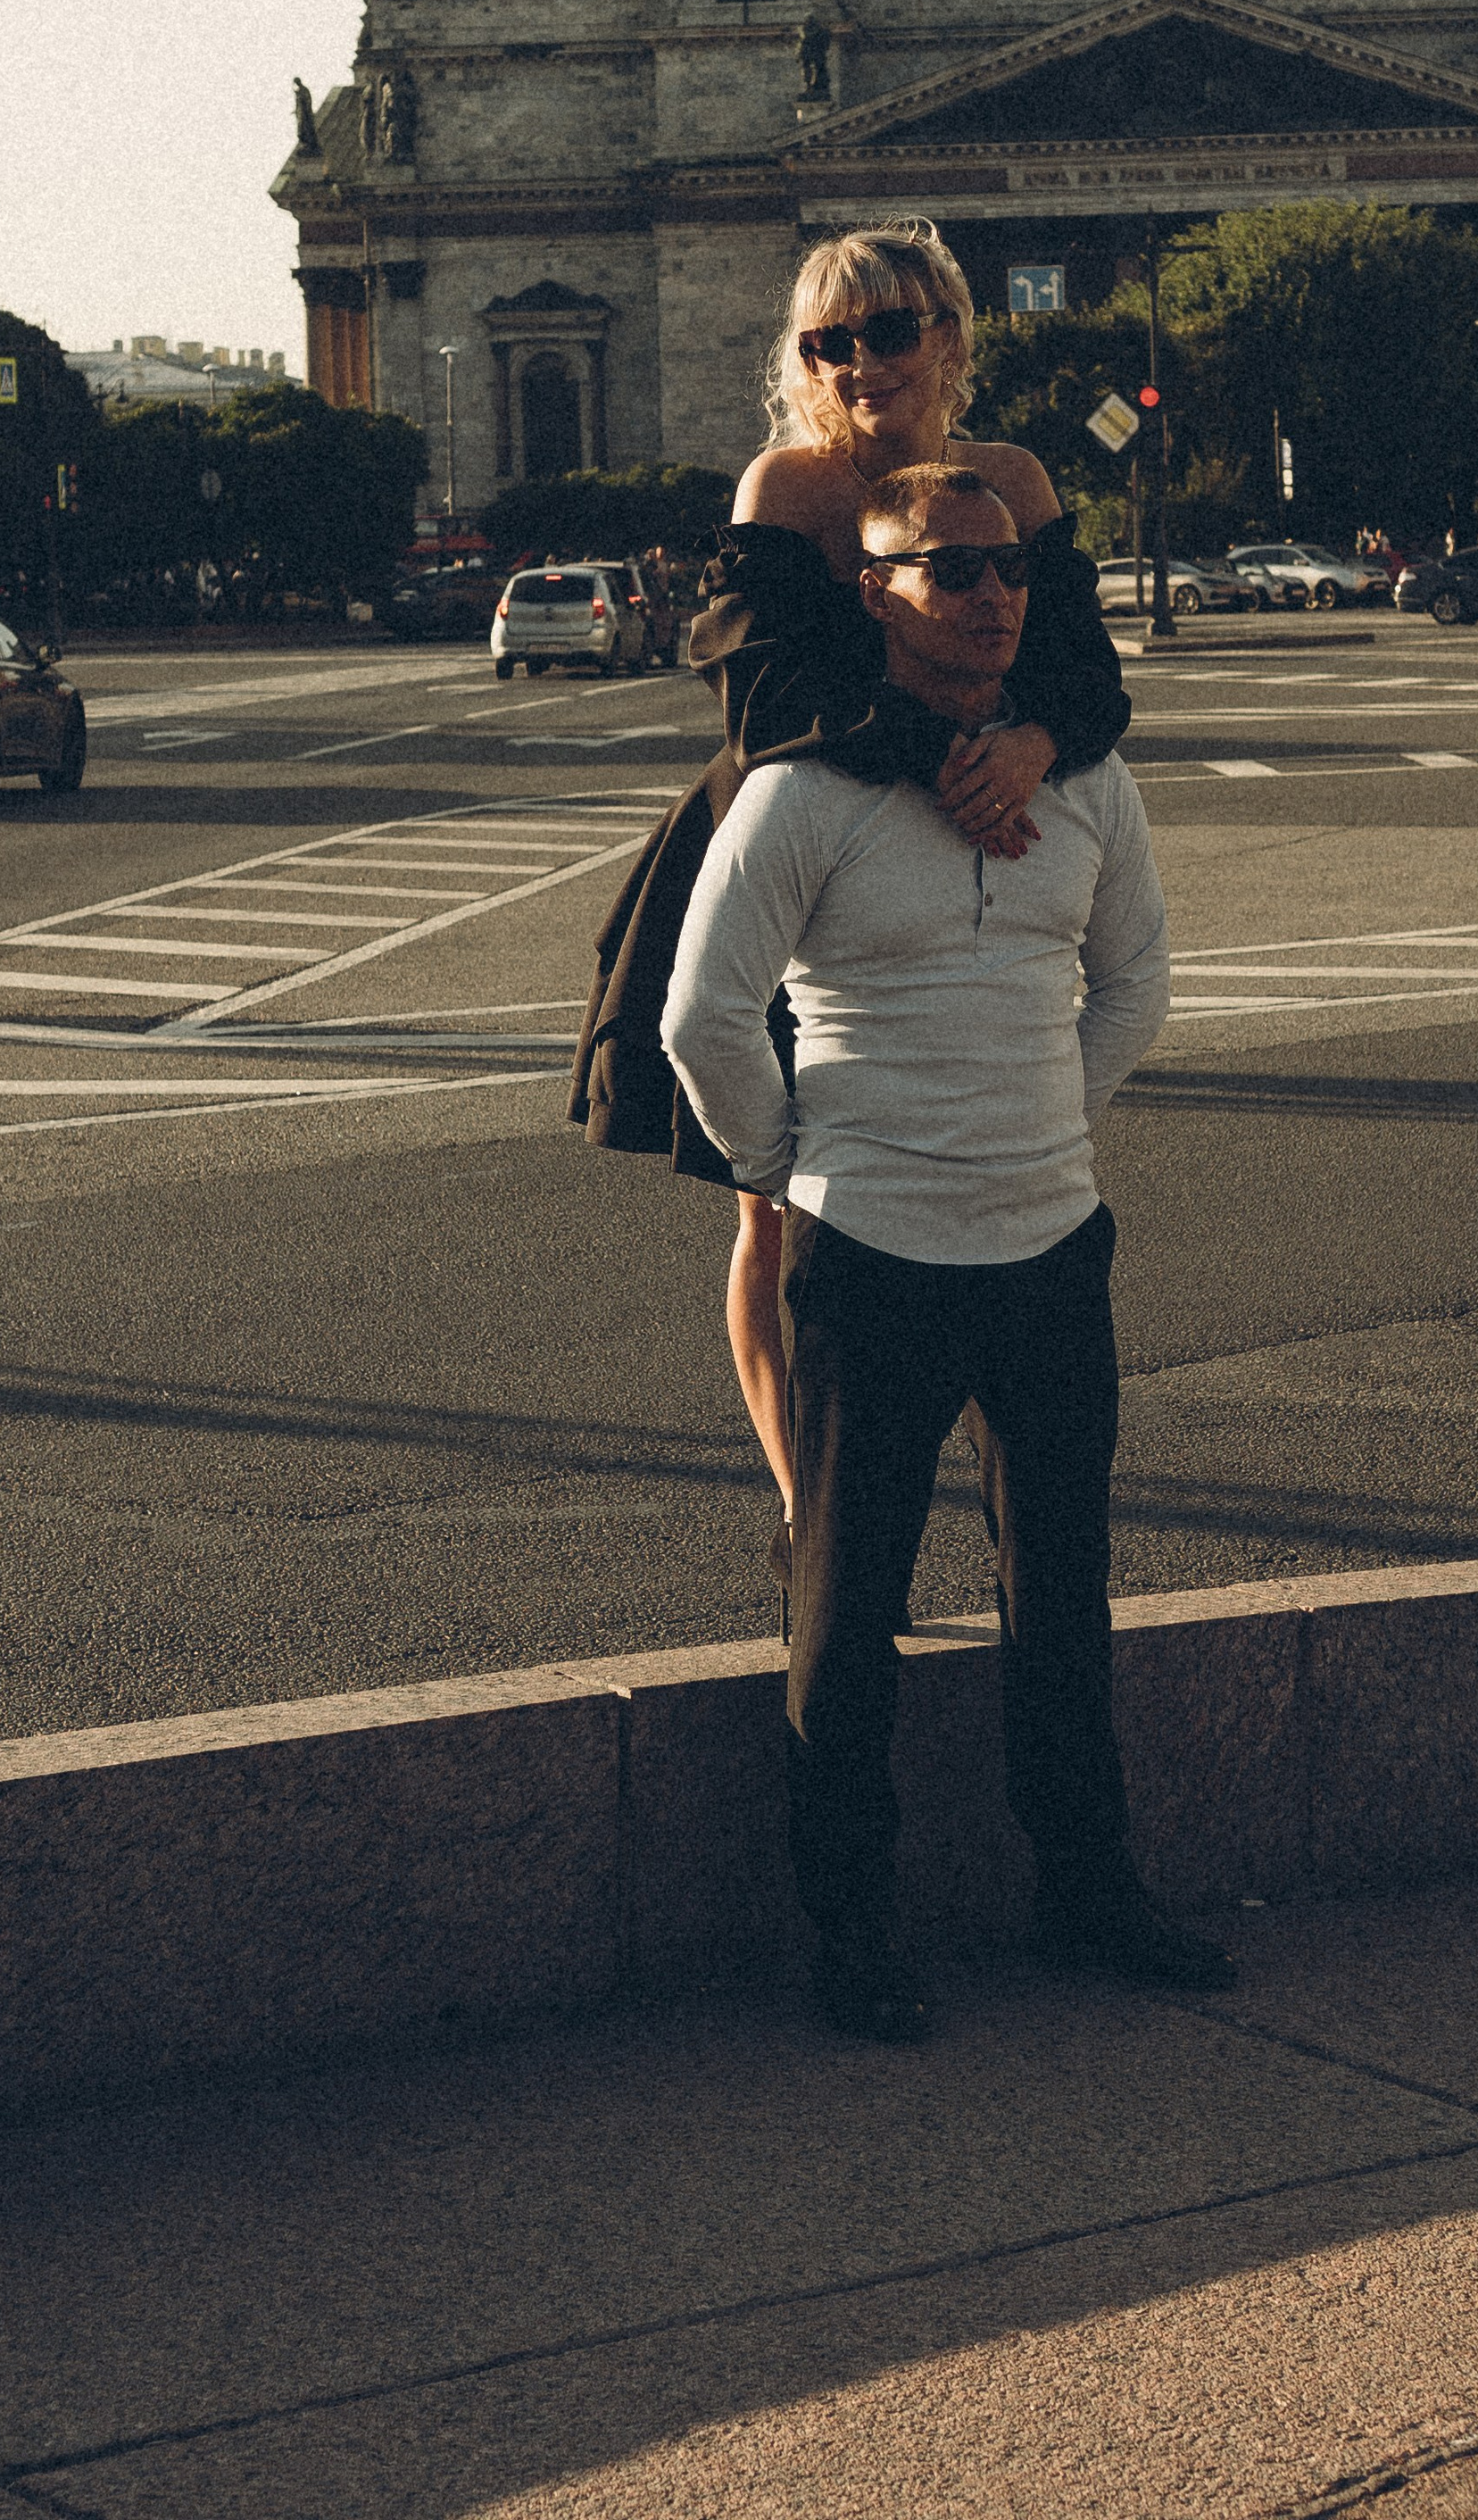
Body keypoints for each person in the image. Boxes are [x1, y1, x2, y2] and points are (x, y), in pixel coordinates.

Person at [663, 463, 1229, 2039]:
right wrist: (790, 1168)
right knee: (850, 1604)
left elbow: (1138, 984)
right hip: (874, 1248)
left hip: (1053, 1240)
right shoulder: (805, 790)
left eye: (1008, 571)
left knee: (1067, 1590)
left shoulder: (1086, 782)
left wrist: (1046, 1121)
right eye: (949, 571)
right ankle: (853, 1927)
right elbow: (703, 1014)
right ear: (877, 594)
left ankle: (1088, 1888)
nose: (990, 595)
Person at [569, 225, 1127, 1598]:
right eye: (830, 341)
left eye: (889, 329)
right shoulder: (788, 485)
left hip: (976, 831)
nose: (862, 362)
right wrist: (956, 760)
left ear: (949, 332)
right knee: (774, 1209)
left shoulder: (1012, 485)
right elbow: (759, 700)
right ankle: (804, 1506)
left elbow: (1090, 679)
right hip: (781, 848)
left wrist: (1036, 748)